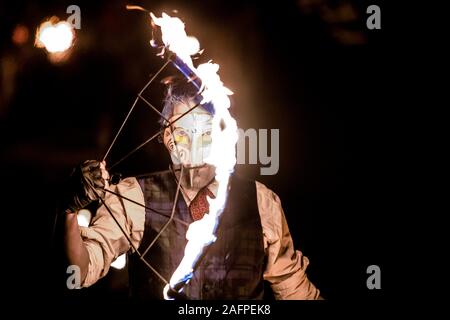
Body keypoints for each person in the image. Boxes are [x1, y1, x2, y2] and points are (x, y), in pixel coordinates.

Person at [61, 79, 322, 300]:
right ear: (168, 138)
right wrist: (69, 210)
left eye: (206, 133)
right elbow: (79, 272)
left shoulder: (261, 201)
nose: (195, 145)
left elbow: (294, 289)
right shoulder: (133, 197)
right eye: (183, 133)